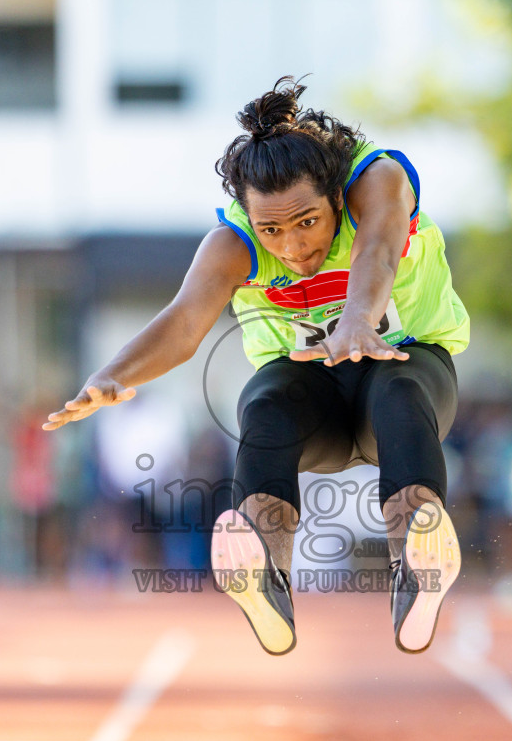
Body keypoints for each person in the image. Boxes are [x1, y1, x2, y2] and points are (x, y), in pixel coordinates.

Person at [44, 77, 470, 656]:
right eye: (271, 229)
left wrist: (358, 320)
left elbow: (377, 248)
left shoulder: (380, 181)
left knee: (397, 388)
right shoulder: (231, 244)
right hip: (312, 399)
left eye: (307, 222)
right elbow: (185, 321)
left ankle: (415, 568)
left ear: (337, 199)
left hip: (406, 370)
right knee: (265, 400)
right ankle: (267, 573)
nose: (293, 246)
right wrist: (113, 376)